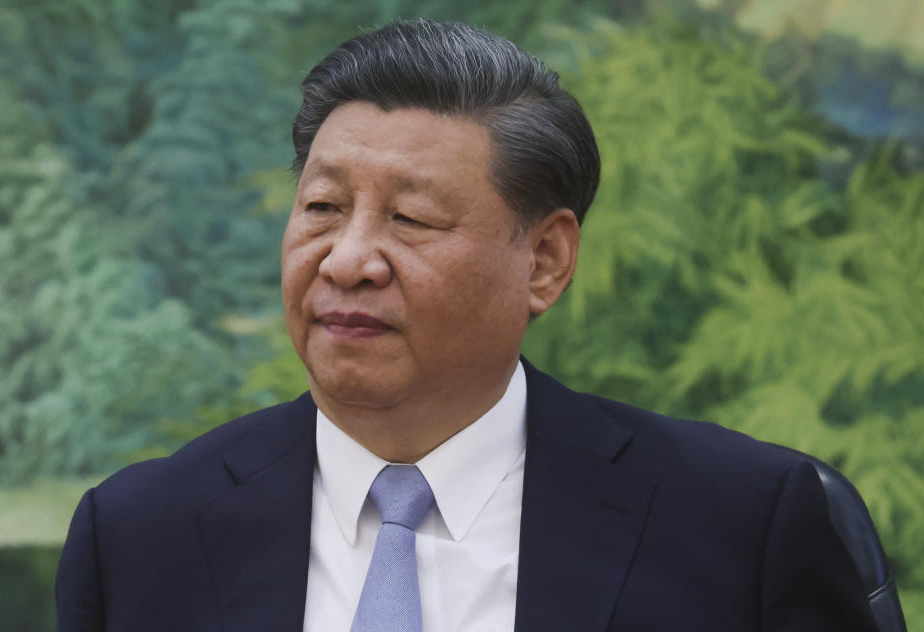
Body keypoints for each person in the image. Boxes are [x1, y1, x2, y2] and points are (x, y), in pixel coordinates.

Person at [56, 19, 878, 632]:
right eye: (322, 208)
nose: (347, 260)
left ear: (546, 261)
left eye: (410, 218)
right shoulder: (136, 533)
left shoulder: (742, 522)